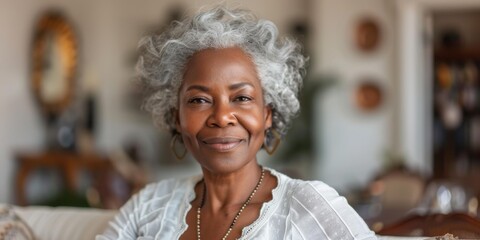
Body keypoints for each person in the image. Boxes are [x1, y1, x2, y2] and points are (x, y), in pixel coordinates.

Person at [97, 6, 377, 240]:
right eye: (199, 100)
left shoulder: (307, 205)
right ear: (176, 117)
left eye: (241, 97)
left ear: (267, 114)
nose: (221, 117)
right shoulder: (149, 207)